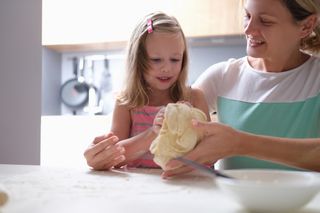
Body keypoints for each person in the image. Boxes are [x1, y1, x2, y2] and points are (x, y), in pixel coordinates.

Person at [162, 0, 320, 178]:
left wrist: (240, 143)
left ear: (307, 26)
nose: (248, 29)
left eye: (266, 21)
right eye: (247, 16)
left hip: (306, 204)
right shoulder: (222, 76)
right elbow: (170, 127)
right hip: (234, 203)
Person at [83, 11, 210, 170]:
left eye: (175, 59)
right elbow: (116, 157)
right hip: (139, 191)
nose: (167, 68)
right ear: (138, 60)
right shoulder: (126, 102)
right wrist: (153, 133)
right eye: (156, 60)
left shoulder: (195, 97)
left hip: (186, 188)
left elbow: (209, 157)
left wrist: (188, 126)